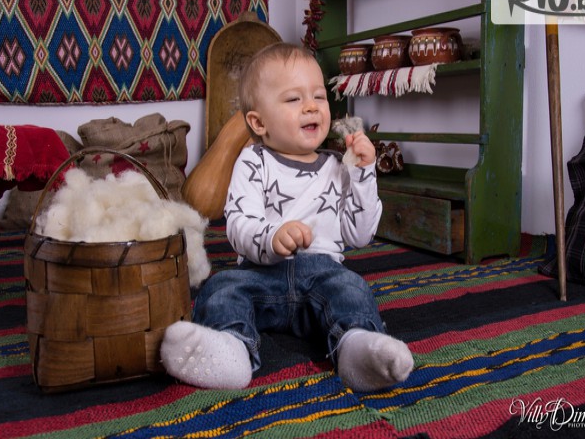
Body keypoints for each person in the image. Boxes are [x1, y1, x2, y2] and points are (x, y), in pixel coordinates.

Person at [160, 42, 414, 392]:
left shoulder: (338, 167)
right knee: (221, 289)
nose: (311, 106)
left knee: (352, 290)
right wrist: (271, 237)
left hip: (322, 274)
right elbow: (238, 224)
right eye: (294, 99)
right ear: (258, 122)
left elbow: (360, 234)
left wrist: (364, 175)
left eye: (319, 96)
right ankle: (231, 350)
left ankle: (356, 347)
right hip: (259, 274)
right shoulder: (253, 162)